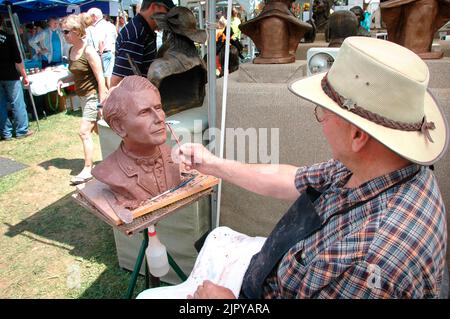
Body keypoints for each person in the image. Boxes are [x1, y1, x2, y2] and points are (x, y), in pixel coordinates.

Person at [140, 37, 449, 299]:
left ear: (358, 136)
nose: (321, 122)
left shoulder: (370, 261)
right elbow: (291, 179)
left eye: (322, 112)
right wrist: (212, 163)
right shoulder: (378, 165)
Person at [91, 76, 181, 209]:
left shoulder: (174, 157)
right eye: (144, 112)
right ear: (119, 126)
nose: (159, 119)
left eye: (158, 108)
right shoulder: (108, 172)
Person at [57, 14, 106, 185]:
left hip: (93, 97)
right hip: (83, 98)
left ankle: (87, 169)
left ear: (77, 31)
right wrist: (63, 80)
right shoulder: (71, 50)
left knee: (84, 132)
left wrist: (101, 102)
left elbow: (101, 78)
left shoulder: (89, 50)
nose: (64, 35)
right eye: (62, 32)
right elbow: (75, 73)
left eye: (66, 31)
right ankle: (118, 155)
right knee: (102, 131)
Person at [111, 0, 175, 87]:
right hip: (134, 98)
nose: (169, 18)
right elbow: (118, 80)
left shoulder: (143, 31)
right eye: (167, 11)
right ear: (154, 7)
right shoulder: (137, 33)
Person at [0, 14, 33, 141]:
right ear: (2, 21)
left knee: (0, 105)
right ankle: (21, 130)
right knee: (17, 103)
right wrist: (24, 76)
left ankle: (6, 133)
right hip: (10, 75)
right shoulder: (8, 38)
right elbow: (18, 60)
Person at [86, 8, 117, 89]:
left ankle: (111, 97)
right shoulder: (109, 24)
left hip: (104, 53)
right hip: (110, 53)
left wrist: (99, 54)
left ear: (94, 16)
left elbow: (101, 42)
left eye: (89, 17)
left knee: (106, 79)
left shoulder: (99, 26)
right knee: (109, 77)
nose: (88, 19)